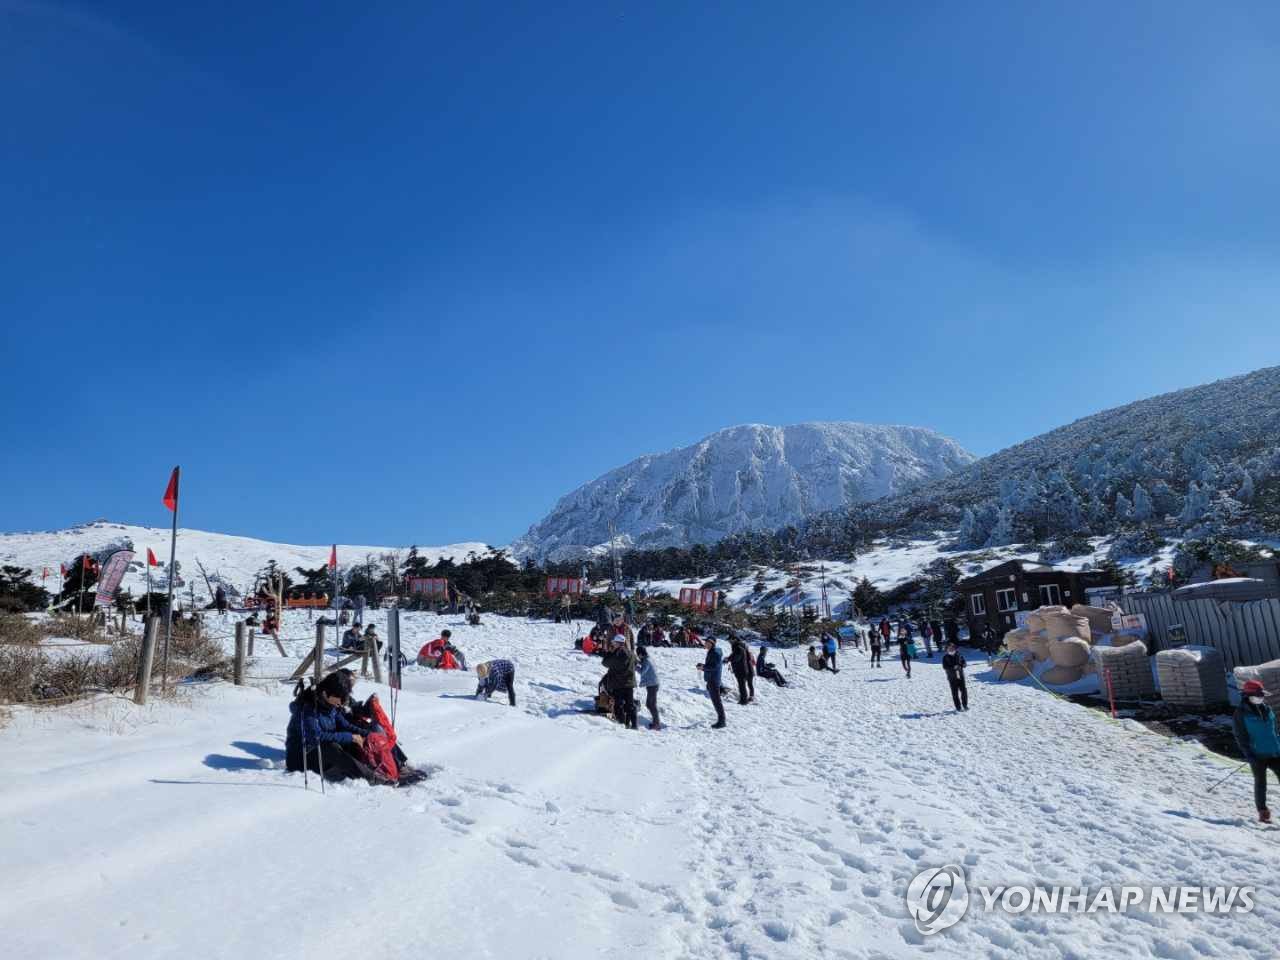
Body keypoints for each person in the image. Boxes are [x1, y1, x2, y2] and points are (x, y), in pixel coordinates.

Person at [285, 672, 370, 781]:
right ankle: (370, 778)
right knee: (331, 747)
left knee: (353, 741)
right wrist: (350, 737)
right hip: (300, 759)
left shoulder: (329, 705)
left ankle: (376, 770)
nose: (342, 701)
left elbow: (346, 726)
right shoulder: (308, 707)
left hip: (319, 754)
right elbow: (316, 737)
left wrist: (369, 734)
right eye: (340, 697)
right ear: (325, 693)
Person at [1234, 680, 1280, 822]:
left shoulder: (1267, 709)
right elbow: (1240, 736)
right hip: (1257, 755)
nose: (1261, 697)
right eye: (1258, 695)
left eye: (1262, 695)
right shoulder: (1241, 714)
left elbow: (1275, 730)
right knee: (1261, 783)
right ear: (1248, 695)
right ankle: (1263, 812)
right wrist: (1248, 754)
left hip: (1275, 752)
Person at [601, 635, 638, 729]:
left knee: (619, 705)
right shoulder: (631, 653)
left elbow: (605, 663)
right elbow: (636, 662)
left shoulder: (617, 653)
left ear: (617, 643)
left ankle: (622, 724)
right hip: (629, 683)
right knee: (630, 705)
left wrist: (609, 652)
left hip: (619, 683)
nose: (613, 643)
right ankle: (634, 725)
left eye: (614, 642)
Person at [697, 635, 727, 728]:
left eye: (706, 642)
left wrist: (703, 667)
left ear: (711, 643)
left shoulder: (715, 653)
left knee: (717, 701)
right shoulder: (713, 651)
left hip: (713, 680)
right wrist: (703, 666)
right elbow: (712, 665)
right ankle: (721, 720)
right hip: (712, 679)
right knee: (716, 701)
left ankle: (722, 722)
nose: (704, 643)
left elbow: (714, 667)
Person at [635, 644, 661, 730]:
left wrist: (635, 667)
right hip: (652, 684)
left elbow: (642, 671)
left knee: (651, 705)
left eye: (638, 654)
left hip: (652, 685)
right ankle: (656, 722)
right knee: (650, 704)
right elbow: (642, 663)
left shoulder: (646, 661)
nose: (638, 656)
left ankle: (656, 724)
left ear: (641, 654)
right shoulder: (647, 659)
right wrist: (637, 662)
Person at [942, 642, 968, 711]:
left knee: (964, 690)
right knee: (955, 692)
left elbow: (963, 662)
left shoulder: (959, 654)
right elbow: (945, 667)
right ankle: (958, 707)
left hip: (960, 676)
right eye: (949, 648)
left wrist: (963, 665)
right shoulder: (945, 657)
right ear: (946, 649)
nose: (951, 649)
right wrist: (953, 667)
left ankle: (965, 705)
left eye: (952, 648)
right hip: (952, 677)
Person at [728, 636, 754, 704]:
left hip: (741, 669)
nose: (729, 642)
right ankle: (746, 698)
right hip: (743, 668)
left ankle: (744, 700)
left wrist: (730, 659)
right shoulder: (739, 647)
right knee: (743, 685)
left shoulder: (738, 647)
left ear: (735, 640)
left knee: (743, 685)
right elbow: (734, 655)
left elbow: (737, 658)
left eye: (730, 640)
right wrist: (729, 658)